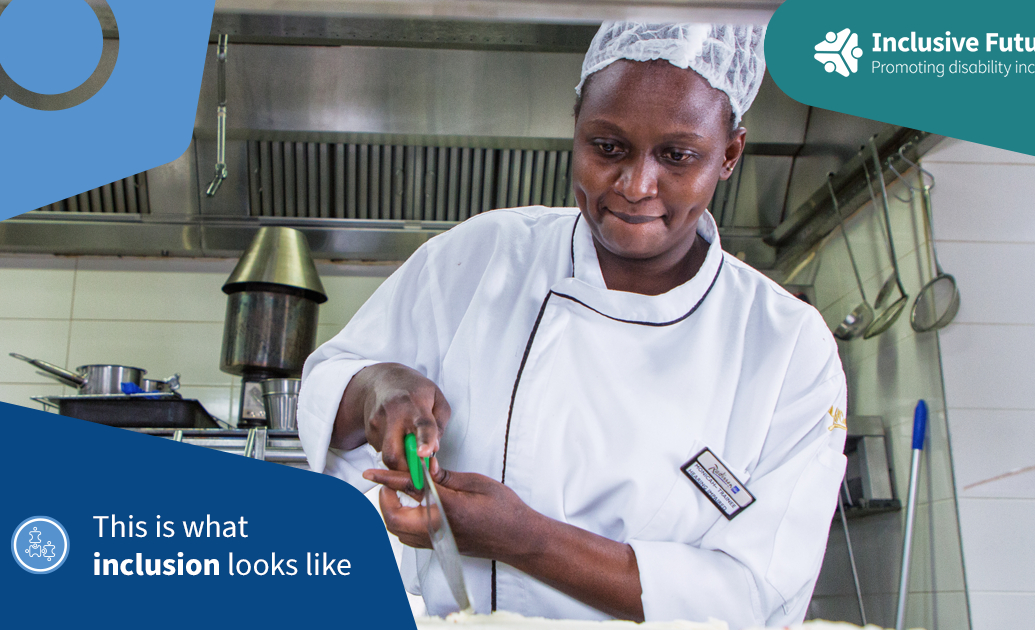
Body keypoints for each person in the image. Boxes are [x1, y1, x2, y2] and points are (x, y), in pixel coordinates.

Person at [297, 22, 847, 628]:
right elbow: (333, 387)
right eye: (607, 147)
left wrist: (526, 539)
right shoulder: (486, 253)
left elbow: (754, 593)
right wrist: (381, 387)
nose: (636, 186)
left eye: (677, 155)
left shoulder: (787, 344)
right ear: (576, 128)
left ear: (730, 155)